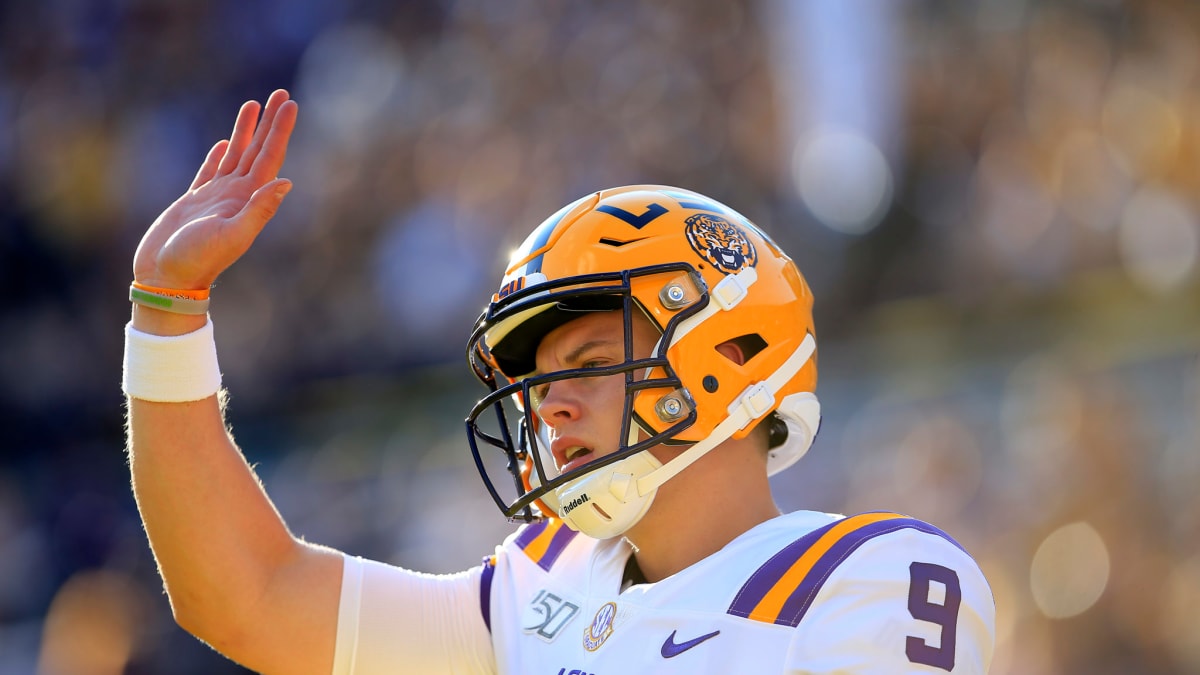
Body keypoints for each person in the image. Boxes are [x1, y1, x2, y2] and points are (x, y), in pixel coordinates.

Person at [123, 90, 995, 674]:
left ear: (730, 354)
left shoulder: (876, 576)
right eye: (538, 384)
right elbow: (248, 595)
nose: (551, 405)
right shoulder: (541, 582)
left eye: (586, 365)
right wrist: (167, 317)